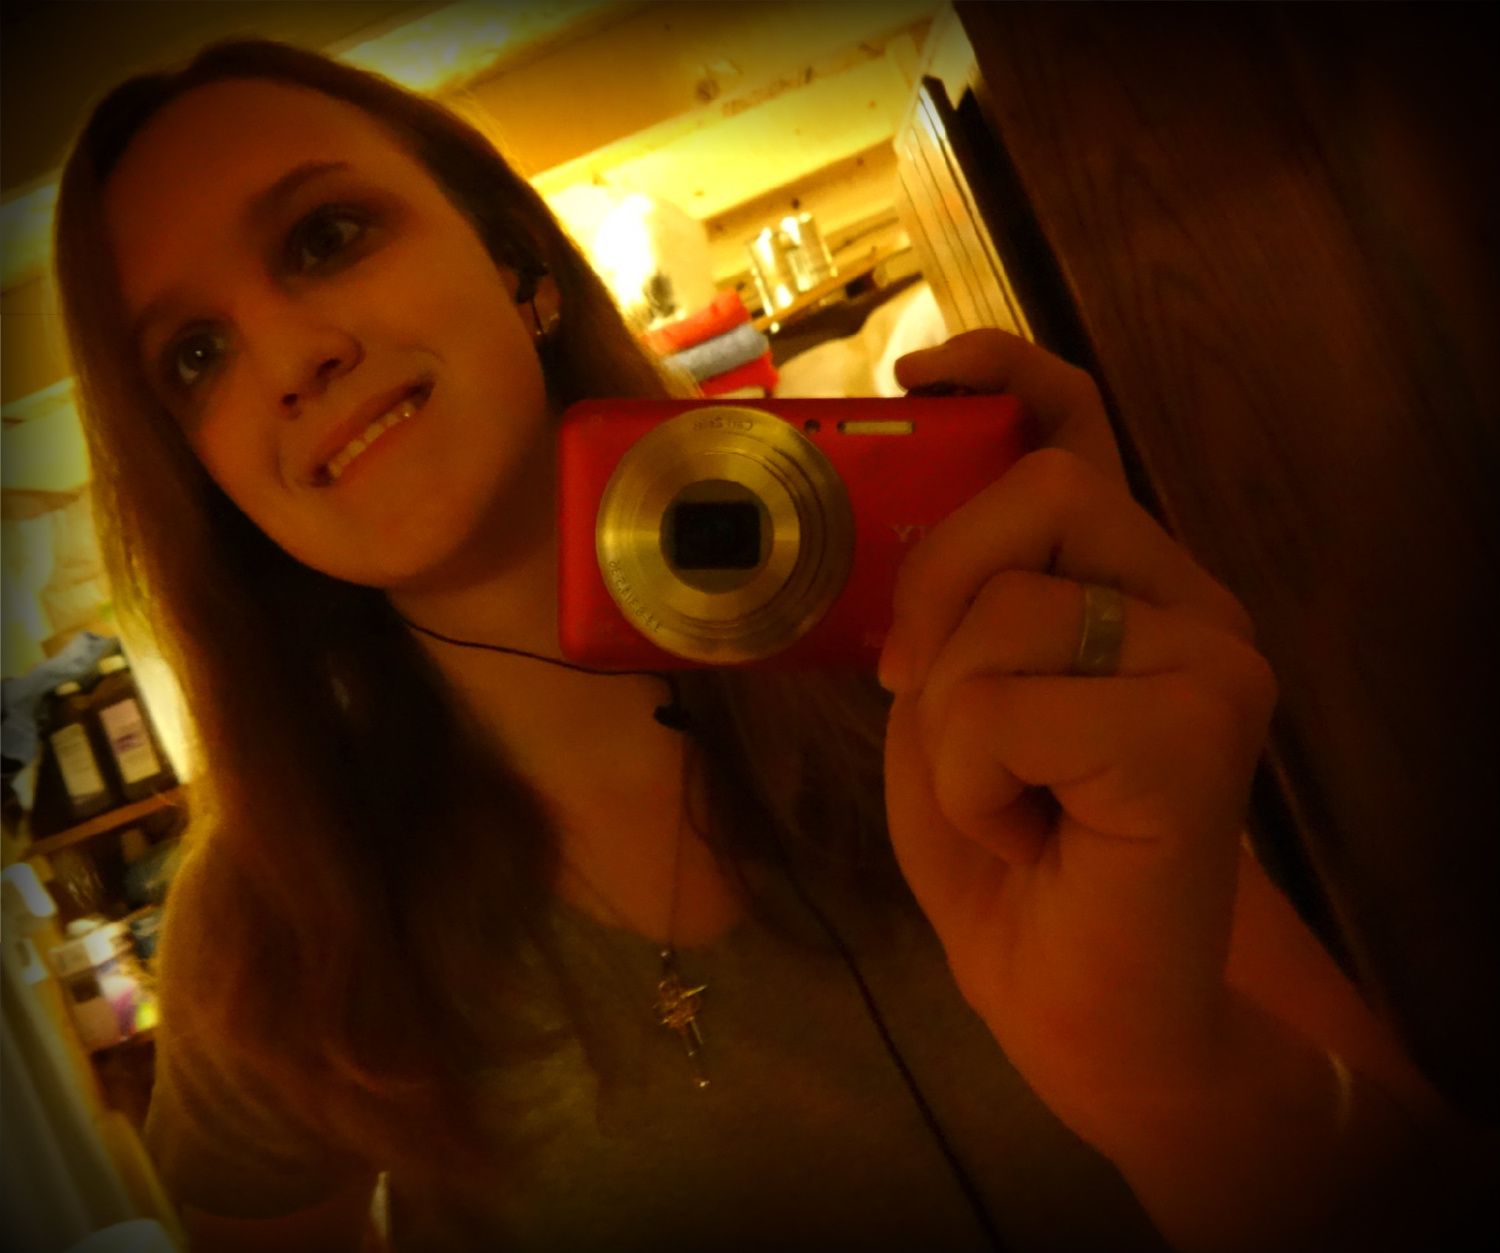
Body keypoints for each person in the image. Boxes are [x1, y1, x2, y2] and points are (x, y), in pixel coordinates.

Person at [51, 37, 1483, 1253]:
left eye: (325, 237)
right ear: (202, 476)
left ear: (515, 266)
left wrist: (1172, 1078)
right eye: (194, 357)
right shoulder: (276, 921)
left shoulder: (951, 637)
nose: (290, 355)